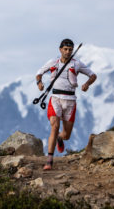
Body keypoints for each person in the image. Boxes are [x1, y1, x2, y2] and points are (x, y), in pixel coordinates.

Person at [35, 39, 96, 170]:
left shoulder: (77, 64)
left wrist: (86, 84)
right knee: (54, 126)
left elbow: (93, 75)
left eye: (70, 50)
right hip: (55, 98)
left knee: (66, 135)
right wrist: (39, 83)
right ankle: (49, 160)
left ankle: (59, 138)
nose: (68, 52)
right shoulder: (53, 62)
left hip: (70, 101)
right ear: (60, 49)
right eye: (65, 49)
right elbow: (38, 73)